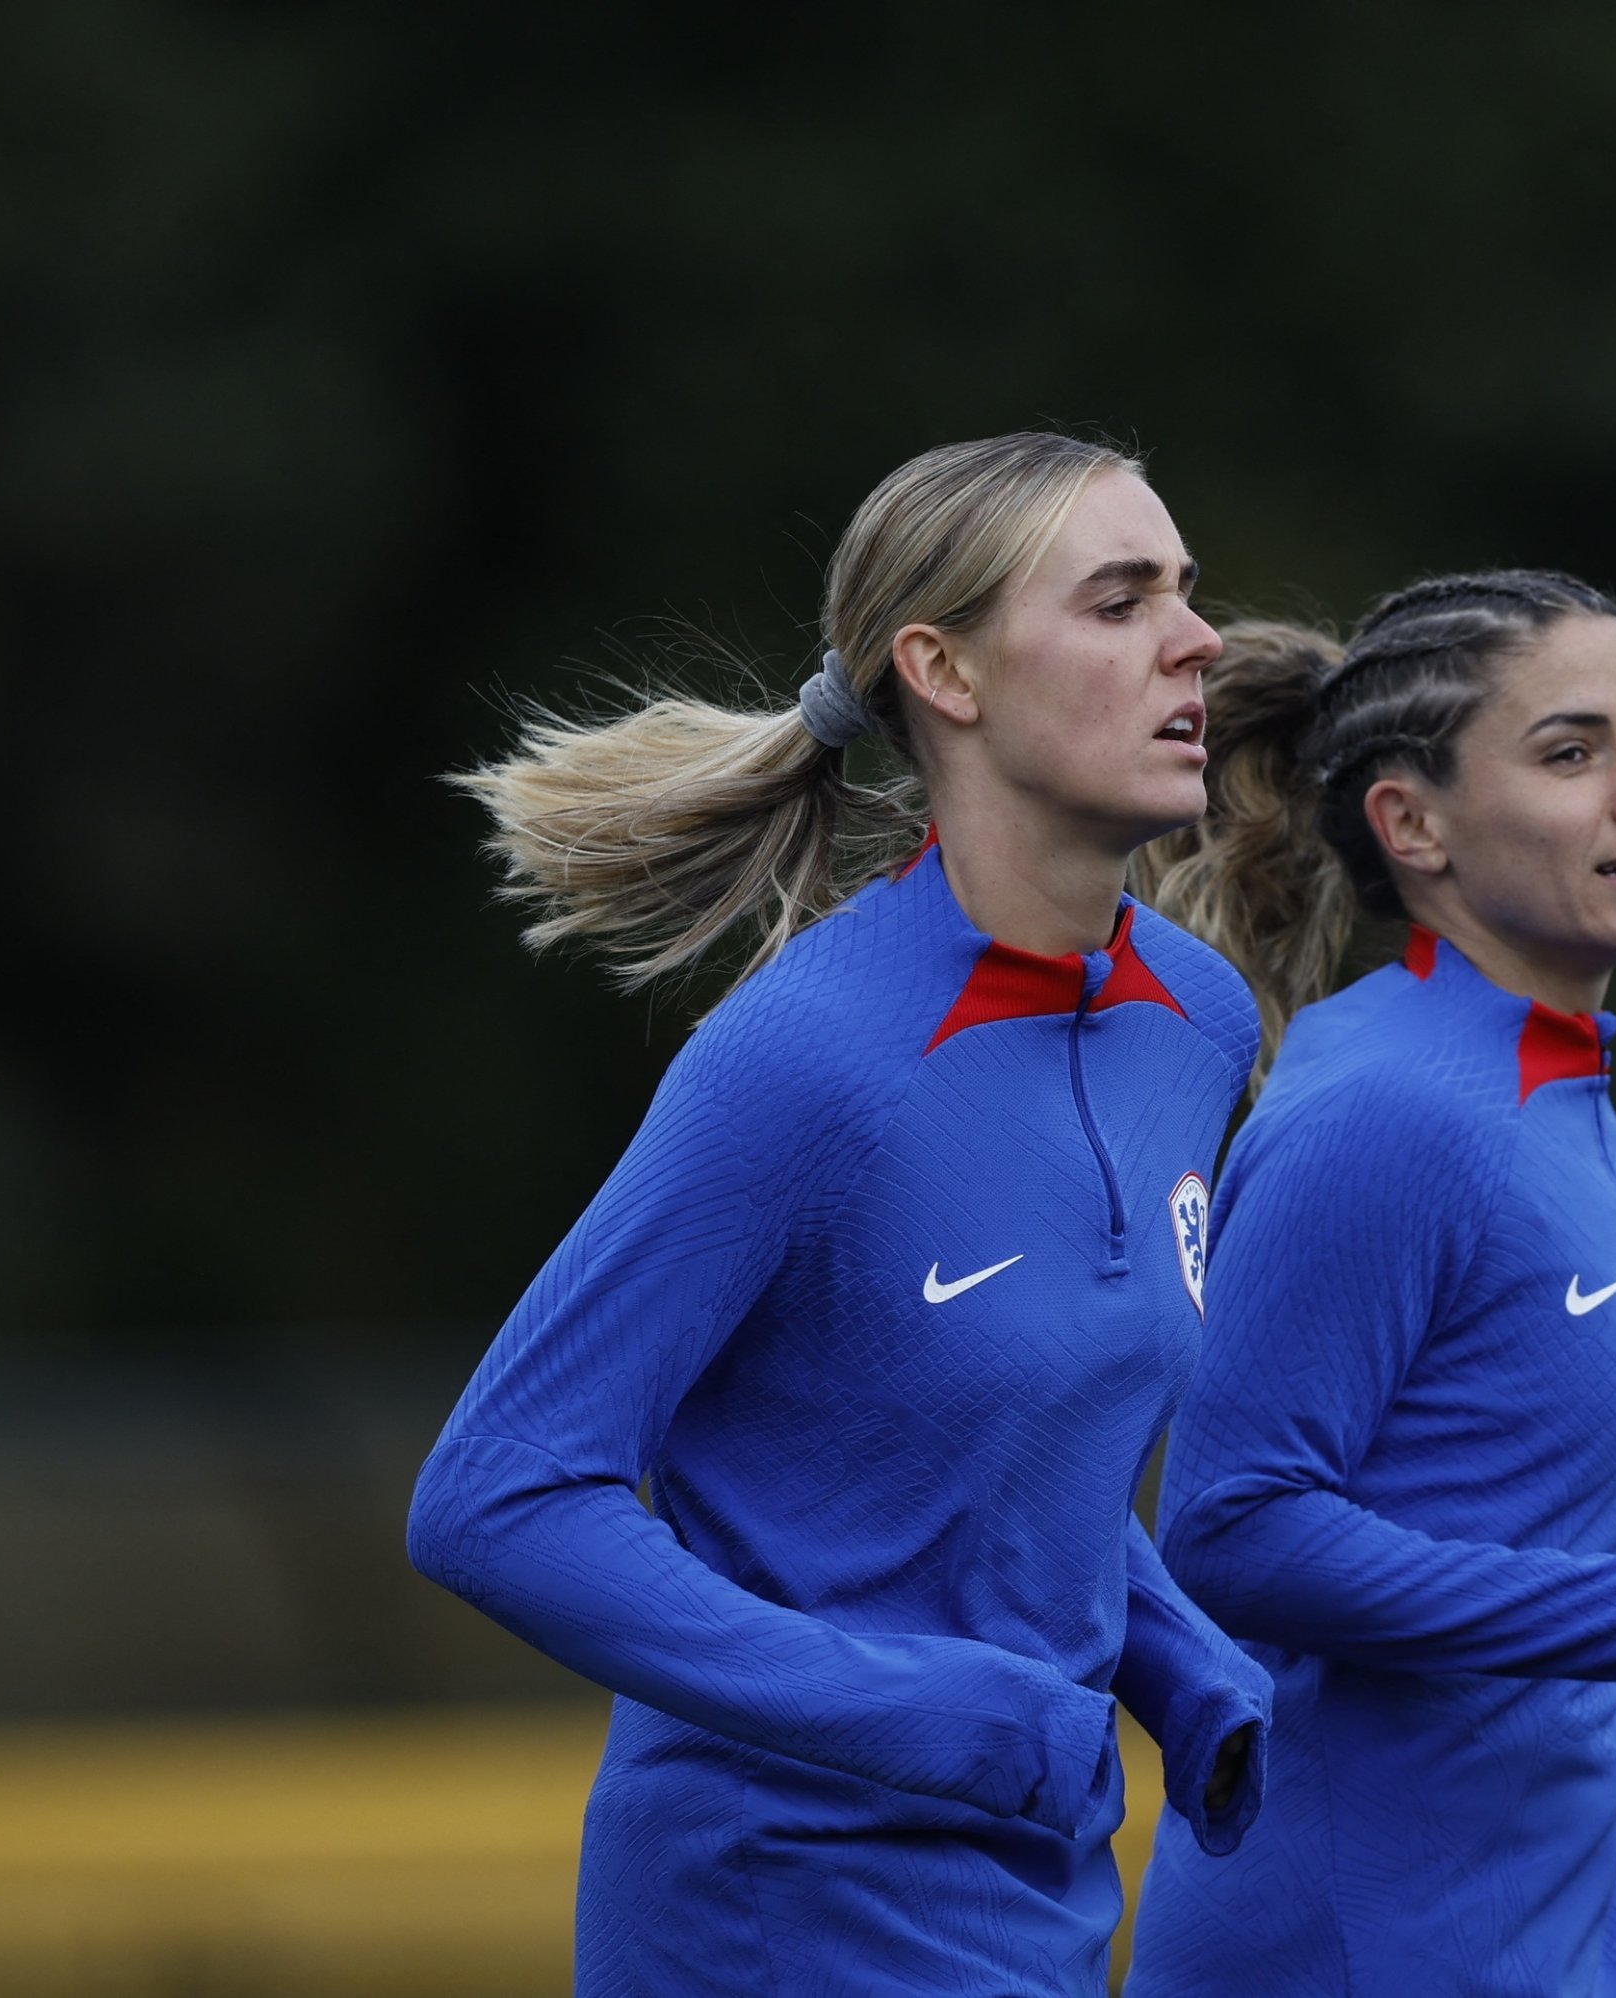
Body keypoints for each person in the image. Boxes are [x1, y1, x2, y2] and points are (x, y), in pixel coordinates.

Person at [405, 433, 1272, 1995]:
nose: (1197, 639)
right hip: (767, 1914)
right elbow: (497, 1496)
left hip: (1044, 1904)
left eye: (1187, 594)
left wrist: (1180, 1663)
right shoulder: (808, 1060)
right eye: (1121, 598)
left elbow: (991, 1447)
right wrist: (930, 1714)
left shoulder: (1199, 1021)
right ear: (942, 669)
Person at [1118, 574, 1616, 1996]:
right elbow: (1233, 1525)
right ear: (1412, 824)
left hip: (1552, 1927)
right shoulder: (1388, 1110)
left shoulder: (1550, 1070)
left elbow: (1473, 1492)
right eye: (1574, 752)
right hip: (1362, 1944)